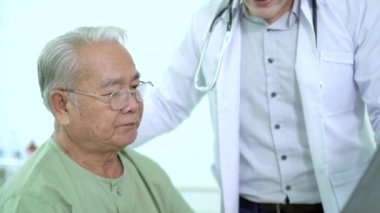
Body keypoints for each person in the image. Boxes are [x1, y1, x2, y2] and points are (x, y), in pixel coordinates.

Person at [133, 0, 380, 212]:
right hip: (250, 206)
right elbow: (168, 105)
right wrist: (99, 139)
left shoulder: (351, 12)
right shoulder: (208, 23)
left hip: (340, 202)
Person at [0, 26, 193, 213]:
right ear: (62, 105)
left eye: (134, 87)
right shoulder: (32, 198)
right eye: (113, 93)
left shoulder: (150, 175)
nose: (133, 105)